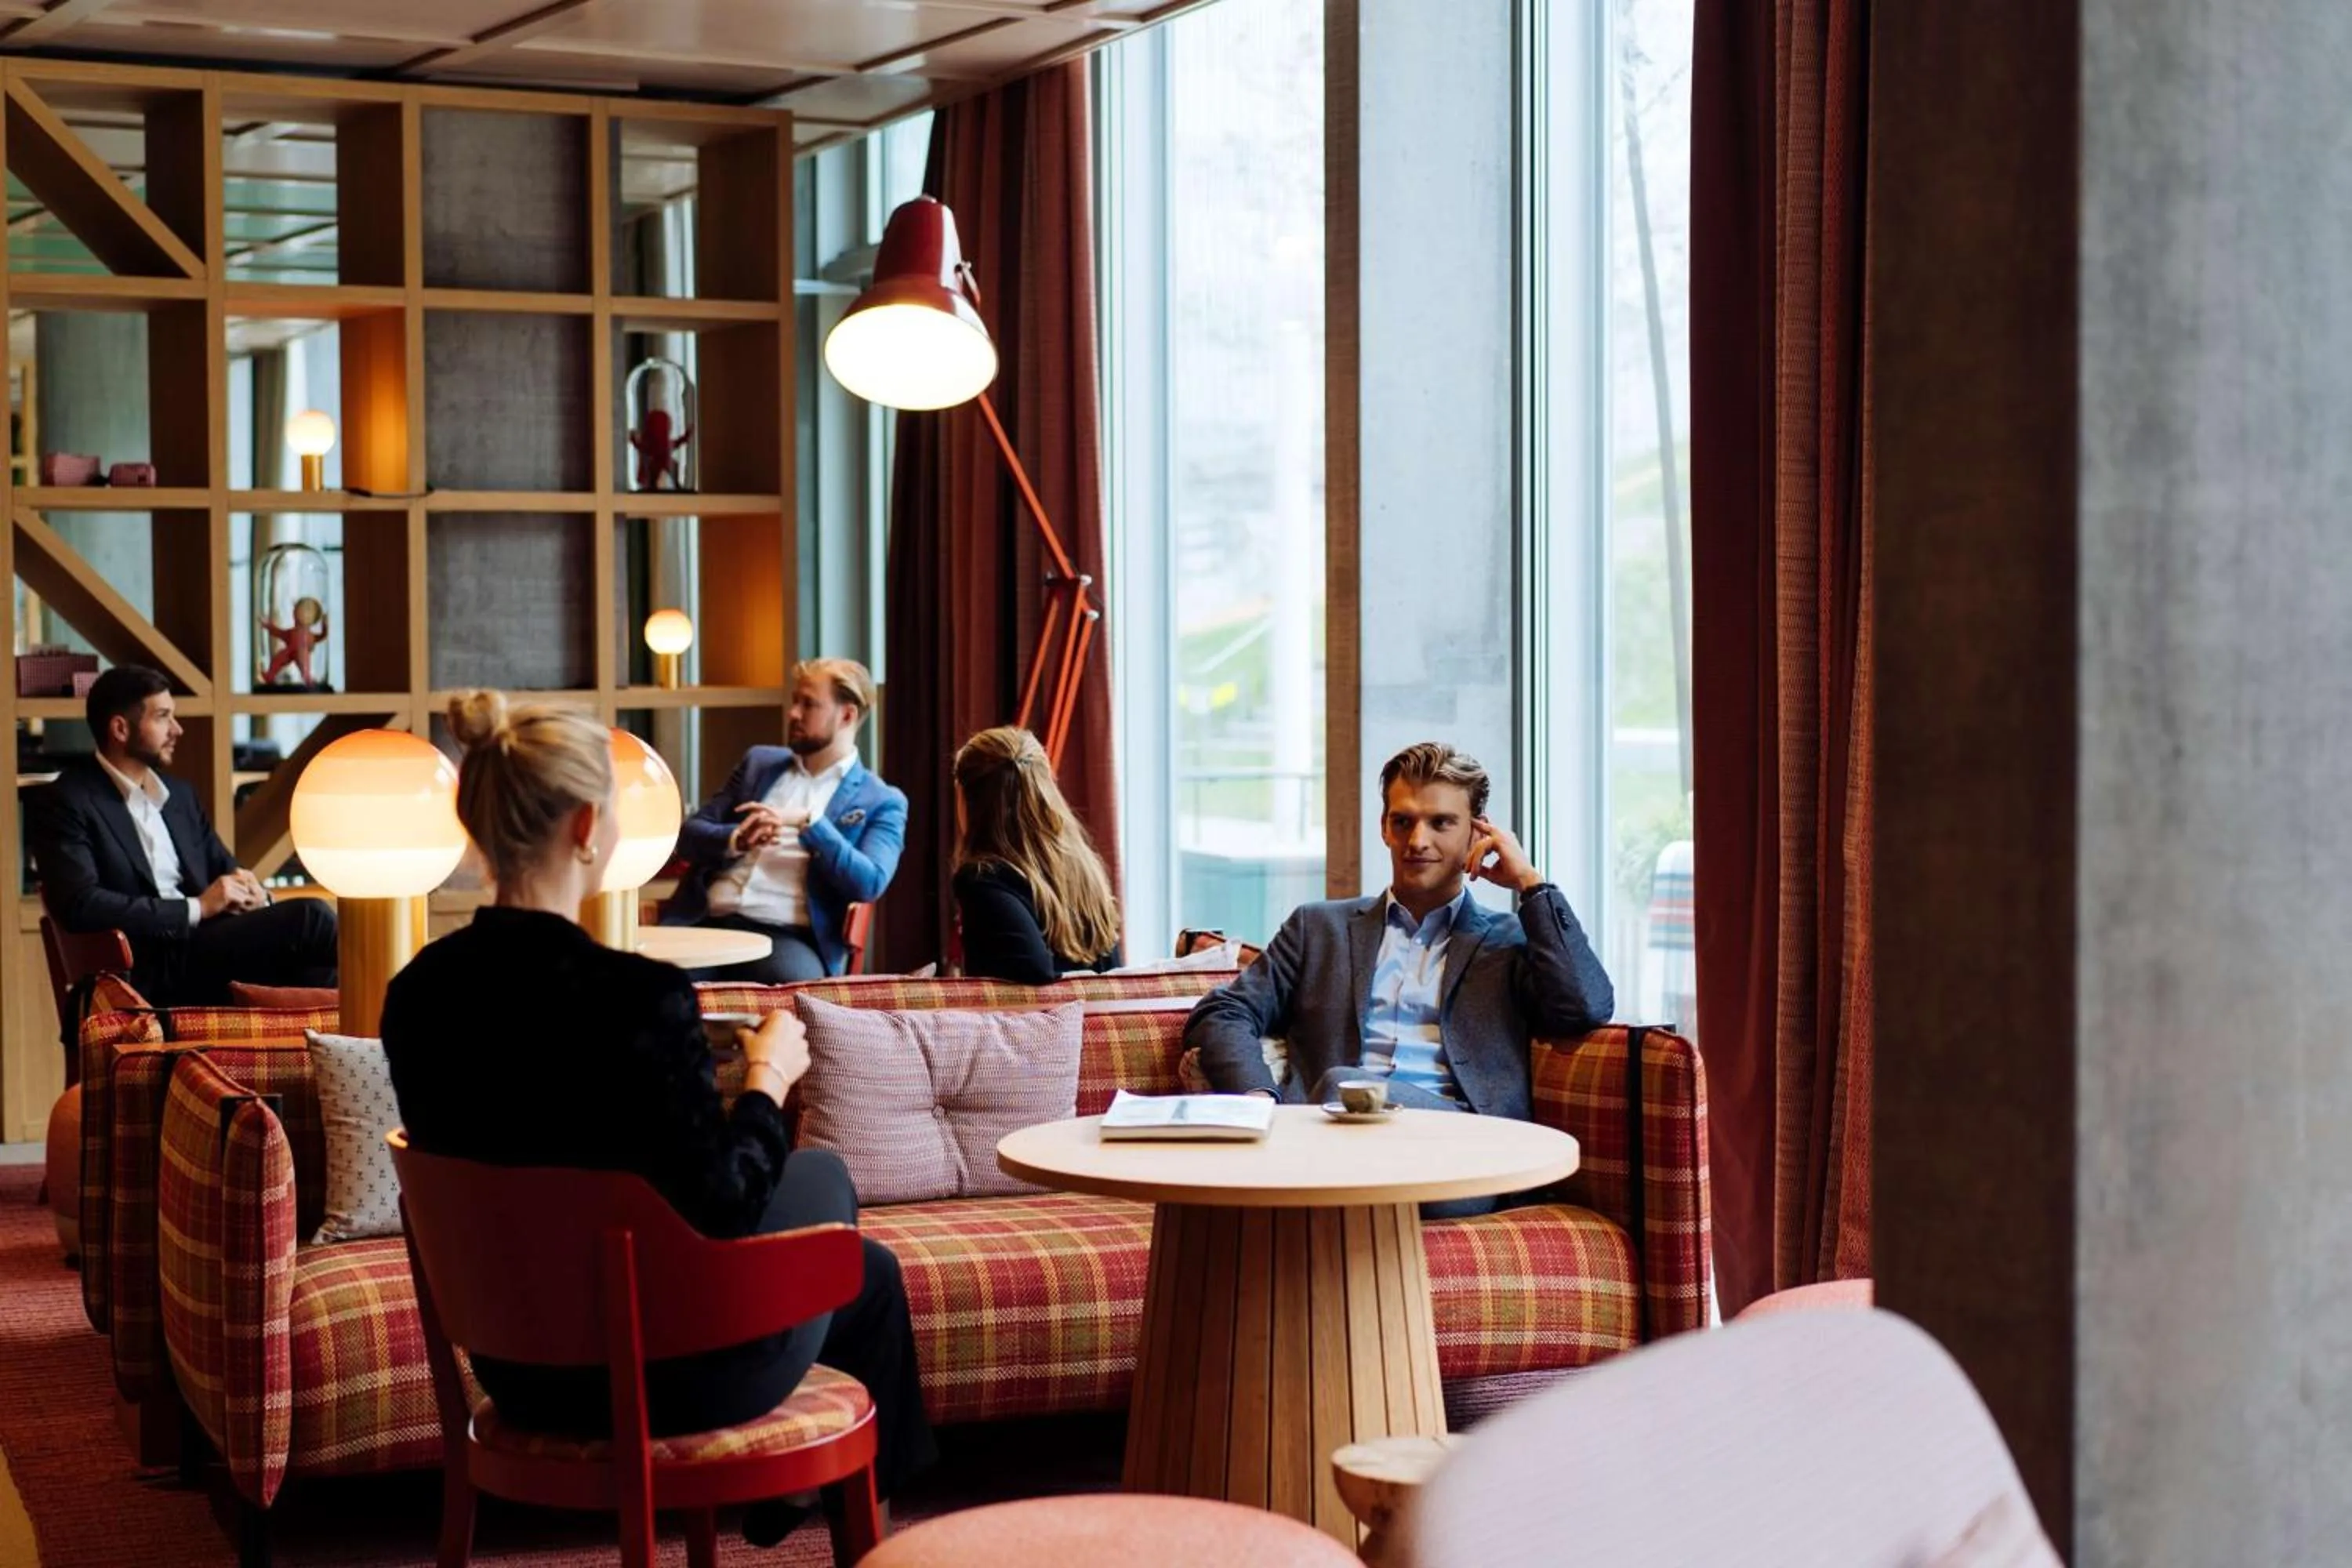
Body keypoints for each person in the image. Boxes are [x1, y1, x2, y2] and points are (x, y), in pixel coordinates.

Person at [381, 691, 935, 1544]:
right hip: (665, 1373)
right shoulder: (637, 999)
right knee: (827, 1186)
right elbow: (725, 1206)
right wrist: (767, 1079)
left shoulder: (416, 995)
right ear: (587, 826)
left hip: (516, 1370)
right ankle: (858, 1526)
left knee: (866, 1270)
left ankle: (823, 1506)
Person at [1185, 742, 1613, 1211]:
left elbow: (1586, 1007)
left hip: (1458, 1153)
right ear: (1384, 828)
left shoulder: (1509, 941)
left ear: (1477, 832)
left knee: (1344, 1086)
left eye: (1441, 823)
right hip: (1331, 1142)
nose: (1418, 841)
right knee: (1338, 1100)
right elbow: (1224, 1011)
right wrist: (1258, 1100)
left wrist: (1531, 884)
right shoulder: (1318, 928)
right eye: (1403, 821)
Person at [26, 665, 337, 1007]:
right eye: (163, 717)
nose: (177, 729)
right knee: (312, 917)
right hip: (147, 967)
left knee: (321, 976)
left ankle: (367, 1036)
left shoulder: (179, 796)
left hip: (205, 955)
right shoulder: (67, 801)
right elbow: (81, 905)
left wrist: (256, 896)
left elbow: (226, 869)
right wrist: (197, 908)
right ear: (120, 728)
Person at [664, 659, 906, 982]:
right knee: (654, 984)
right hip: (708, 923)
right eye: (795, 701)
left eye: (809, 704)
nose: (793, 713)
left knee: (792, 987)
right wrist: (738, 839)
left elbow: (869, 882)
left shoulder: (881, 800)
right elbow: (689, 836)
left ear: (847, 715)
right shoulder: (758, 764)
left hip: (788, 937)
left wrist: (811, 822)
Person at [951, 727, 1123, 983]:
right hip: (1103, 1008)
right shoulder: (1084, 871)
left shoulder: (982, 881)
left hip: (1043, 1011)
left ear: (969, 801)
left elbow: (1033, 973)